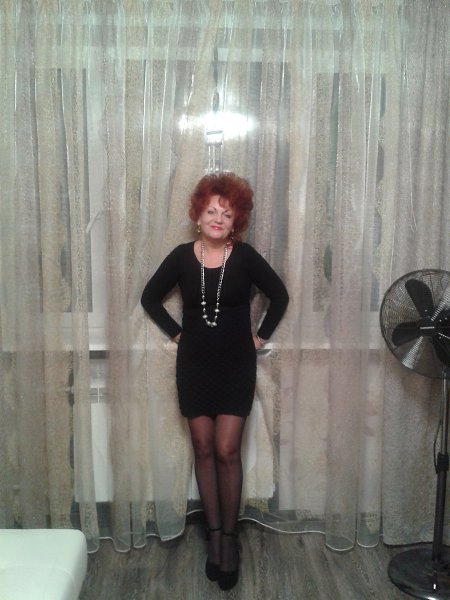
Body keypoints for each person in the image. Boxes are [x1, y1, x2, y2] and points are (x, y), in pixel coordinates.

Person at [141, 173, 288, 590]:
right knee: (203, 448)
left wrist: (260, 336)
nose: (218, 218)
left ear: (236, 219)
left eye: (226, 212)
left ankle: (230, 538)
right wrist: (177, 333)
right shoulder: (181, 257)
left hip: (237, 366)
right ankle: (215, 538)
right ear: (198, 215)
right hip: (194, 366)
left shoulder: (245, 257)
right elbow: (149, 297)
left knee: (226, 450)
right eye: (211, 211)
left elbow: (279, 295)